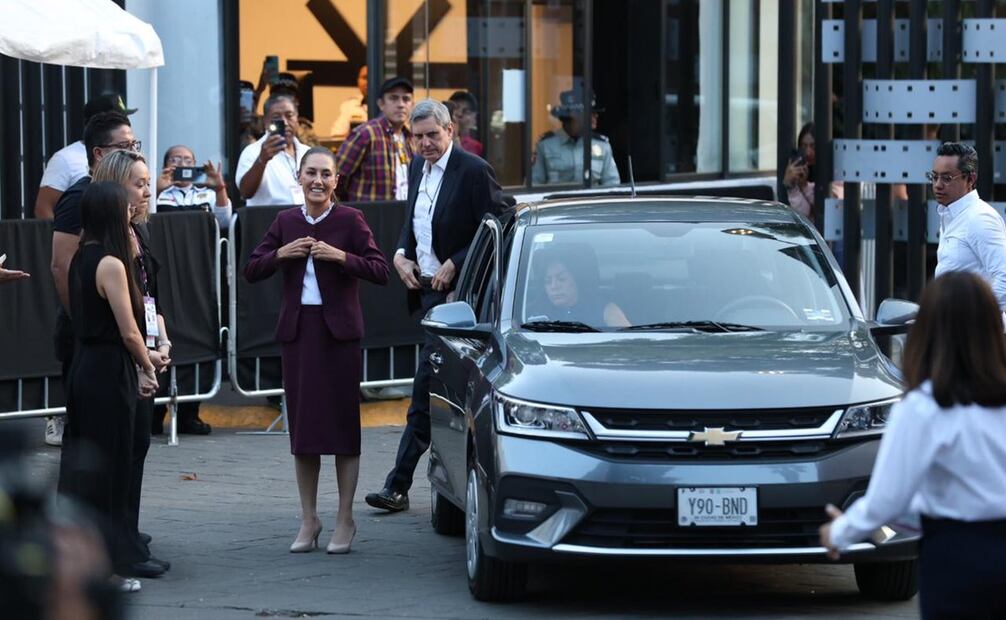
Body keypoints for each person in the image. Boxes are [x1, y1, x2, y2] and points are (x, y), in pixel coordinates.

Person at [820, 271, 1006, 618]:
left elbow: (888, 500)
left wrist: (840, 532)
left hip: (959, 558)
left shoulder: (923, 407)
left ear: (929, 333)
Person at [244, 147, 389, 553]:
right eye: (311, 173)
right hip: (299, 333)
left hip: (339, 335)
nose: (318, 181)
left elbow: (379, 269)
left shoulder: (350, 219)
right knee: (304, 432)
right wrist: (280, 254)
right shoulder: (285, 220)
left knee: (343, 428)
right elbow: (252, 268)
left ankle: (345, 519)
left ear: (336, 180)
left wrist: (341, 256)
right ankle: (309, 519)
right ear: (299, 176)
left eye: (326, 174)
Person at [366, 99, 506, 512]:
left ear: (451, 131)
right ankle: (440, 482)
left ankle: (399, 484)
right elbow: (415, 221)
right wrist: (399, 253)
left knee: (427, 386)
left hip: (460, 299)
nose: (425, 143)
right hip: (426, 293)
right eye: (418, 136)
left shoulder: (473, 170)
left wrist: (456, 263)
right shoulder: (415, 169)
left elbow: (500, 220)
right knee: (439, 389)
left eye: (433, 135)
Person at [58, 181, 159, 593]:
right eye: (125, 207)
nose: (132, 211)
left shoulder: (82, 256)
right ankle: (105, 569)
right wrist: (147, 364)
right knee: (111, 471)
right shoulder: (112, 265)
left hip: (85, 365)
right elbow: (130, 331)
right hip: (108, 369)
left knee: (88, 469)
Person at [92, 151, 174, 580]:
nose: (147, 191)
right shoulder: (108, 247)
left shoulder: (138, 232)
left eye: (148, 183)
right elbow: (121, 319)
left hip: (142, 352)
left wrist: (160, 335)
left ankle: (129, 534)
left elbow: (149, 297)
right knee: (121, 455)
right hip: (120, 360)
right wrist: (145, 359)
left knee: (138, 448)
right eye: (139, 183)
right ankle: (119, 544)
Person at [48, 110, 139, 448]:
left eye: (135, 144)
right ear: (99, 153)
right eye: (125, 145)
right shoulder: (78, 198)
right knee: (91, 438)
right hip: (90, 334)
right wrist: (83, 319)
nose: (134, 152)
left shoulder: (120, 196)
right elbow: (62, 266)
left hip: (118, 331)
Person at [928, 141, 1006, 312]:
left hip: (976, 334)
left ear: (970, 179)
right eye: (934, 177)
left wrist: (971, 316)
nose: (938, 185)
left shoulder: (979, 218)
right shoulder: (951, 214)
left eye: (947, 178)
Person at [34, 94, 136, 220]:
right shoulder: (65, 158)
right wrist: (65, 236)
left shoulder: (130, 154)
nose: (125, 125)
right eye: (115, 120)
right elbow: (43, 208)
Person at [335, 77, 415, 203]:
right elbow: (336, 179)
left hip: (403, 214)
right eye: (393, 98)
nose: (401, 104)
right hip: (367, 217)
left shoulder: (412, 137)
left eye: (406, 99)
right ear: (381, 104)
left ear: (412, 104)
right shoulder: (365, 134)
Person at [532, 88, 620, 187]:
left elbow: (612, 185)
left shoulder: (602, 146)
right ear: (574, 114)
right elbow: (534, 185)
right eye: (591, 113)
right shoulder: (545, 145)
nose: (596, 116)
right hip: (557, 202)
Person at [236, 94, 310, 207]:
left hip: (306, 221)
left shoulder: (308, 153)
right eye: (276, 117)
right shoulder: (252, 152)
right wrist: (262, 160)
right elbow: (246, 192)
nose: (285, 123)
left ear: (297, 119)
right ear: (266, 122)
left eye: (289, 116)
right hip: (270, 221)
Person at [532, 244, 630, 327]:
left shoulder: (606, 310)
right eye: (547, 281)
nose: (554, 286)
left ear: (577, 279)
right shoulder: (531, 313)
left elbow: (629, 343)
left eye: (561, 279)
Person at [330, 65, 368, 137]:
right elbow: (336, 136)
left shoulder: (390, 105)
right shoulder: (349, 106)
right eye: (365, 78)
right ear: (358, 81)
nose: (368, 82)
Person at [448, 91, 483, 157]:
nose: (459, 114)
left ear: (474, 118)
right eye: (455, 108)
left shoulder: (476, 146)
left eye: (466, 111)